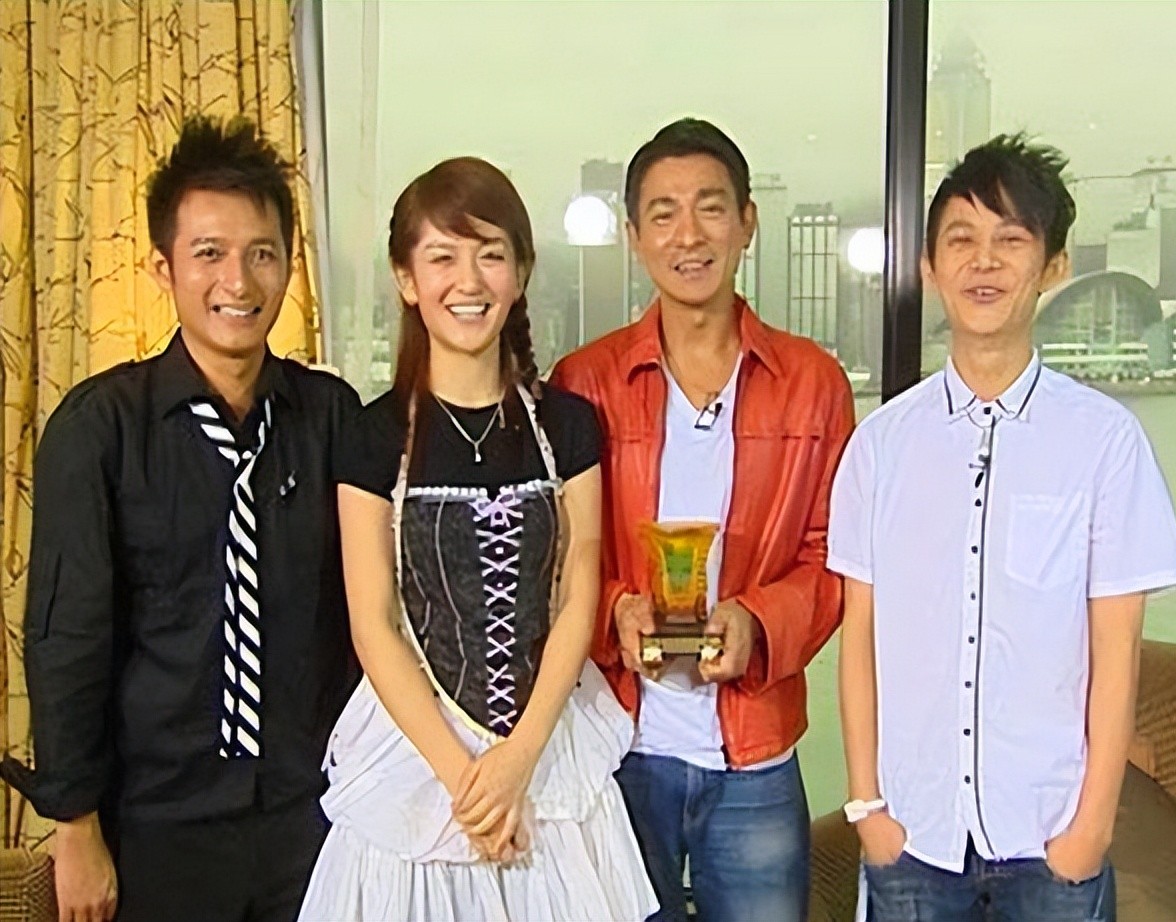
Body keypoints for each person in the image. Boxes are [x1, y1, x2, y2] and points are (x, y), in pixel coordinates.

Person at [0, 115, 373, 922]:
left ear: (288, 264)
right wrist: (75, 827)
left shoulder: (331, 417)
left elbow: (377, 609)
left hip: (314, 819)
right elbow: (67, 641)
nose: (238, 281)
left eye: (261, 253)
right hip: (154, 827)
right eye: (209, 253)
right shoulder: (101, 428)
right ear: (163, 267)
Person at [827, 133, 1176, 920]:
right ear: (929, 268)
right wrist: (867, 808)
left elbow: (1117, 650)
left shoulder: (1104, 442)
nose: (983, 262)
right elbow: (860, 638)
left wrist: (1091, 829)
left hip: (1051, 839)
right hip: (912, 837)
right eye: (960, 240)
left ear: (1053, 266)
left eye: (1010, 240)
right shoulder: (880, 446)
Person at [297, 157, 656, 921]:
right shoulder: (371, 437)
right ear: (405, 278)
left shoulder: (567, 426)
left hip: (550, 753)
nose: (469, 280)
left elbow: (577, 590)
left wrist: (518, 760)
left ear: (520, 273)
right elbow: (373, 622)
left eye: (491, 254)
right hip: (413, 759)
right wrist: (468, 785)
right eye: (442, 258)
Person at [551, 118, 855, 922]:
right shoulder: (583, 383)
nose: (688, 235)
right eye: (663, 213)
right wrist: (614, 609)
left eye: (711, 208)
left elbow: (834, 557)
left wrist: (759, 622)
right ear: (634, 236)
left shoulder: (813, 383)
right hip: (615, 743)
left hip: (754, 752)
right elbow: (554, 550)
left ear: (747, 222)